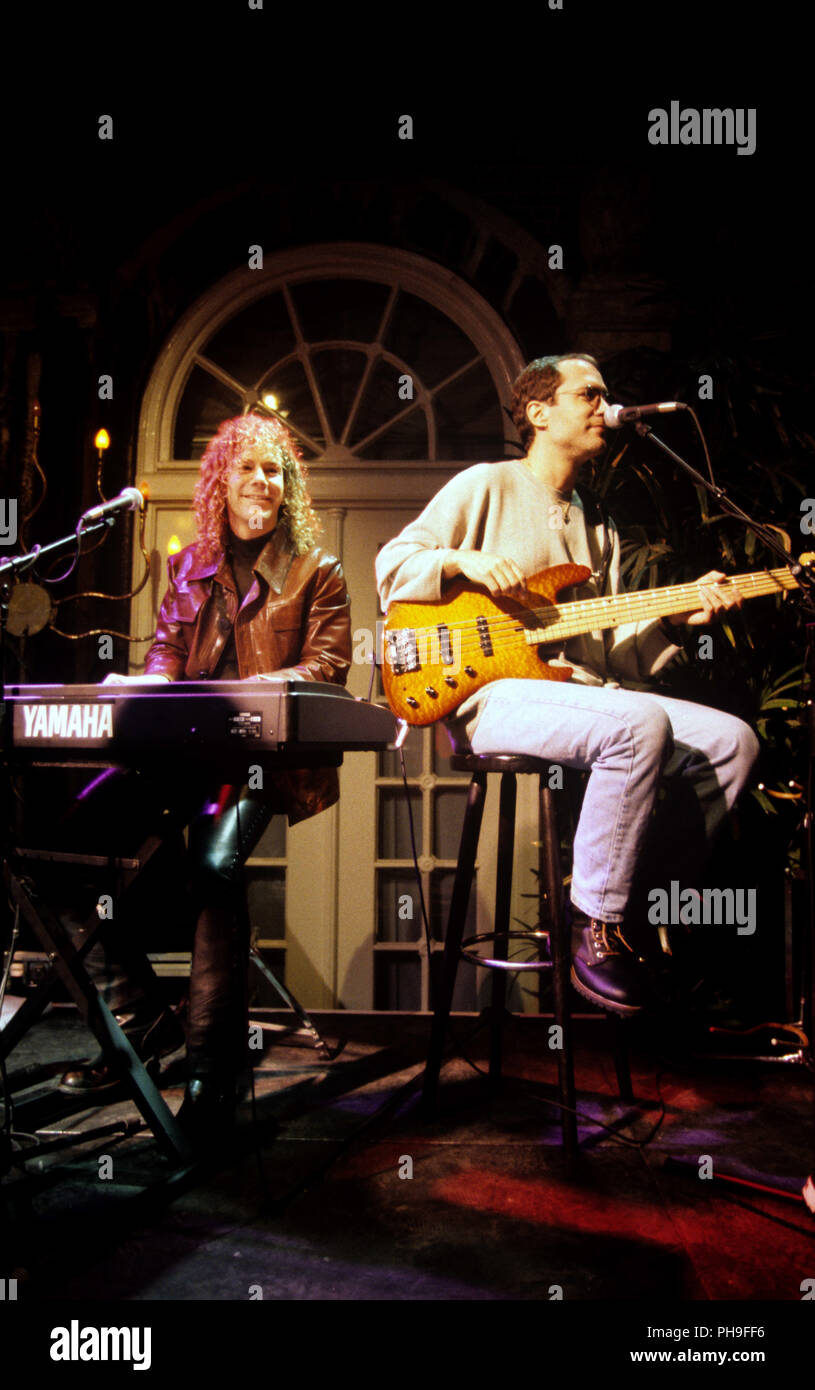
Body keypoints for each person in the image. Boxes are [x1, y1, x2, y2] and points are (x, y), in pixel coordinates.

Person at [375, 354, 759, 1015]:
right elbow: (391, 566)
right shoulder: (485, 485)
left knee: (732, 741)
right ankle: (593, 926)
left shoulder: (596, 524)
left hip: (577, 690)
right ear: (537, 412)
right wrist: (457, 559)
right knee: (639, 725)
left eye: (605, 395)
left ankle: (640, 911)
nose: (603, 406)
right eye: (589, 394)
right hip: (486, 695)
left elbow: (615, 662)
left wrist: (674, 619)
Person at [59, 413, 351, 1142]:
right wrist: (149, 683)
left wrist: (224, 699)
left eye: (275, 471)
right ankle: (140, 1018)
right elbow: (164, 651)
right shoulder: (188, 564)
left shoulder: (318, 572)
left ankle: (211, 1074)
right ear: (219, 480)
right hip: (181, 755)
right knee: (66, 849)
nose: (262, 482)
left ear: (288, 491)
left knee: (214, 868)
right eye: (247, 468)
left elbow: (324, 670)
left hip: (257, 760)